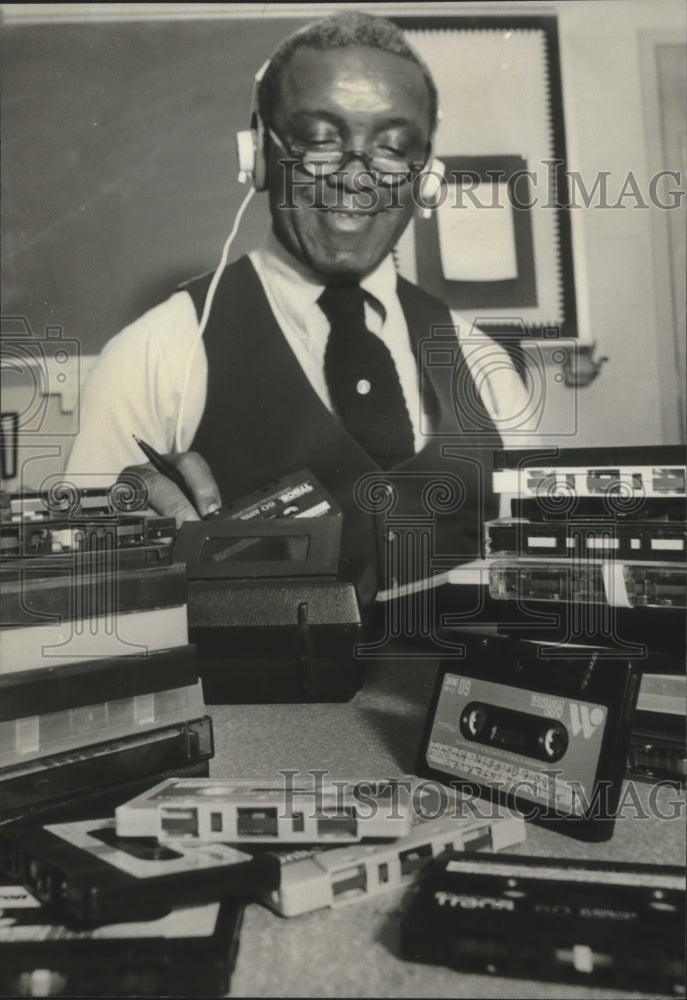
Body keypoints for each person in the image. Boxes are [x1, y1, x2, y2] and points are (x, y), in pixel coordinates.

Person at [66, 11, 529, 586]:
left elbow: (533, 571)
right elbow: (84, 594)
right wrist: (126, 542)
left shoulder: (483, 363)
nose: (357, 179)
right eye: (319, 141)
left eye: (393, 148)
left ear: (426, 175)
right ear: (258, 154)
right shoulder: (154, 356)